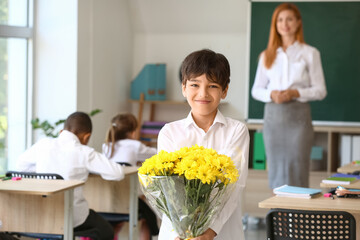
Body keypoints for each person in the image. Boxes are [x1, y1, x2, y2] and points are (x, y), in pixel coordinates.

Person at [157, 49, 249, 240]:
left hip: (222, 233)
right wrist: (179, 232)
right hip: (176, 235)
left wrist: (209, 232)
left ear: (224, 90)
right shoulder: (169, 132)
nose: (202, 93)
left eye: (213, 86)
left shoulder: (236, 131)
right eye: (194, 84)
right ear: (183, 88)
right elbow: (167, 190)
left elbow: (233, 186)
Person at [251, 3, 327, 189]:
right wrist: (271, 94)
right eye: (280, 20)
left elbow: (320, 90)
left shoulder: (310, 53)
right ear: (275, 24)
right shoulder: (266, 56)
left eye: (289, 19)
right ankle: (277, 216)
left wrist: (296, 92)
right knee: (276, 170)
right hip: (273, 118)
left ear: (298, 23)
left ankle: (298, 217)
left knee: (297, 169)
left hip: (298, 118)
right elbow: (256, 90)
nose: (285, 24)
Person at [16, 111, 125, 240]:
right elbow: (118, 173)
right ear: (86, 137)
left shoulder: (43, 145)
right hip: (73, 218)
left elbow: (20, 166)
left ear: (62, 132)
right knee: (106, 231)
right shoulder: (84, 152)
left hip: (43, 214)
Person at [102, 113, 159, 240]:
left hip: (107, 200)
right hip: (128, 201)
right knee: (149, 218)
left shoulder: (106, 146)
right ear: (133, 132)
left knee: (115, 220)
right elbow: (157, 154)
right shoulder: (135, 146)